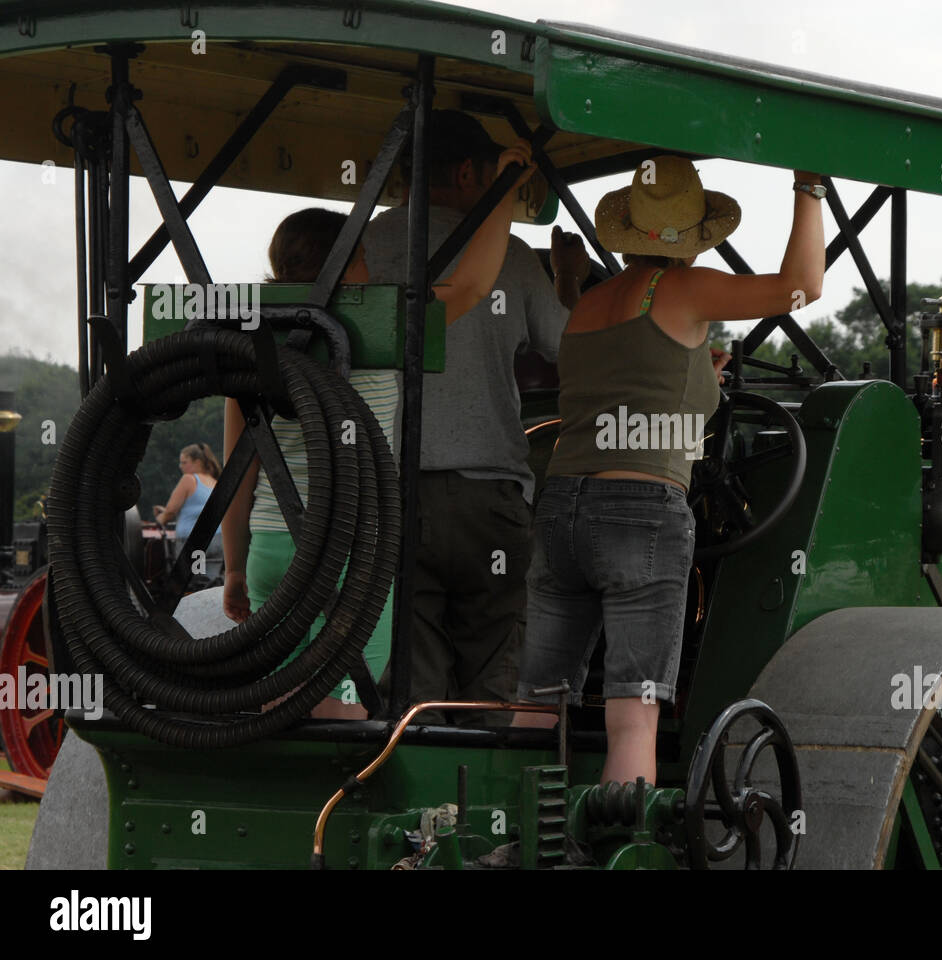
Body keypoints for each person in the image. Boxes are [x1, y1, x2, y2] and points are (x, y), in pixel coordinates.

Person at [513, 156, 826, 786]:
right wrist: (810, 188)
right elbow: (803, 287)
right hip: (641, 512)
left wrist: (697, 381)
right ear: (695, 234)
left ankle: (505, 834)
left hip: (561, 507)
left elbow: (619, 386)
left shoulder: (588, 305)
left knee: (537, 699)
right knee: (636, 710)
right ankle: (622, 844)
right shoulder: (684, 289)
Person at [221, 140, 536, 721]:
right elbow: (469, 286)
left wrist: (236, 567)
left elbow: (238, 476)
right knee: (346, 703)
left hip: (271, 543)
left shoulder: (248, 341)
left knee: (277, 692)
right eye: (364, 257)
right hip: (352, 549)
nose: (374, 269)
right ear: (346, 263)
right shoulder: (376, 331)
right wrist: (504, 197)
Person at [362, 109, 590, 724]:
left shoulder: (359, 249)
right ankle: (486, 806)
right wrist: (567, 279)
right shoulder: (510, 257)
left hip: (390, 495)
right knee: (495, 673)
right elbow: (573, 355)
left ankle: (416, 807)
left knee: (412, 680)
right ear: (468, 171)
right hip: (487, 500)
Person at [154, 443, 225, 575]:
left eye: (184, 462)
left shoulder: (189, 479)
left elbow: (170, 512)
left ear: (197, 462)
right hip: (217, 541)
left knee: (192, 585)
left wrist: (159, 519)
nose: (180, 466)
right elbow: (197, 509)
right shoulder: (214, 482)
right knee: (209, 584)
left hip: (194, 543)